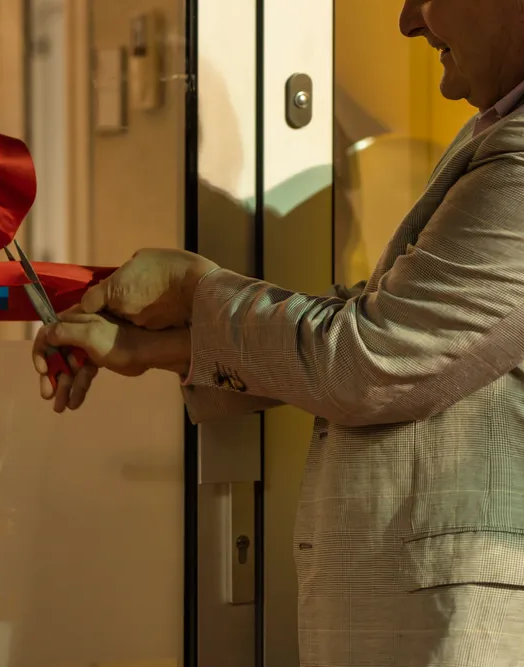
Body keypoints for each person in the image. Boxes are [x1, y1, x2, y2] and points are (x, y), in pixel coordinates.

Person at [31, 0, 524, 665]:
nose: (409, 20)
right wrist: (159, 345)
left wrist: (197, 291)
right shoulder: (493, 134)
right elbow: (395, 329)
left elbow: (374, 358)